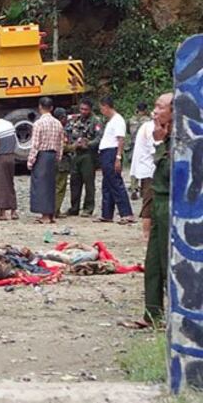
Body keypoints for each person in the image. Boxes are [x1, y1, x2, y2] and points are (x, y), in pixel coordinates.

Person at [124, 93, 172, 329]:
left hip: (169, 205)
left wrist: (160, 143)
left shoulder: (182, 139)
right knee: (152, 262)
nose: (155, 111)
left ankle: (175, 316)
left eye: (160, 107)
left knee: (167, 261)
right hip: (158, 201)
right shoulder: (165, 135)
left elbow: (170, 173)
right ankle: (152, 313)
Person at [96, 97, 135, 224]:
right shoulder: (111, 121)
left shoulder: (118, 120)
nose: (102, 111)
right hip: (105, 152)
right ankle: (107, 213)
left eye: (102, 108)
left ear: (106, 106)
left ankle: (127, 213)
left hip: (112, 152)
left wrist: (118, 157)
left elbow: (121, 140)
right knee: (107, 183)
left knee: (115, 182)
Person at [27, 97, 64, 224]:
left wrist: (30, 160)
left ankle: (45, 216)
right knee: (51, 185)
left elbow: (35, 144)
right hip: (52, 155)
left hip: (42, 155)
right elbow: (60, 143)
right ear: (52, 108)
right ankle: (51, 213)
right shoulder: (57, 123)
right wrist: (58, 157)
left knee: (41, 185)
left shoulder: (38, 124)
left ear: (40, 107)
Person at [67, 98, 102, 217]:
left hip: (88, 155)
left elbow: (99, 138)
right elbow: (69, 133)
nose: (83, 111)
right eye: (81, 109)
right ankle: (74, 207)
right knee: (74, 182)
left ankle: (88, 208)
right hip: (76, 153)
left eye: (86, 109)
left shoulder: (96, 121)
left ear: (90, 109)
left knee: (89, 183)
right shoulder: (75, 119)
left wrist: (88, 144)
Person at [129, 112, 156, 241]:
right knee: (149, 201)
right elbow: (155, 149)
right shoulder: (152, 128)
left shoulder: (145, 126)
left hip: (145, 168)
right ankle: (146, 233)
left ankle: (148, 232)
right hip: (151, 169)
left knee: (148, 200)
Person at [128, 102, 152, 200]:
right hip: (144, 146)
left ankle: (134, 188)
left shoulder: (131, 120)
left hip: (133, 145)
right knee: (145, 166)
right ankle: (144, 189)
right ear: (145, 110)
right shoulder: (149, 120)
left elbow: (128, 132)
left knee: (134, 167)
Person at [54, 108, 73, 217]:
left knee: (54, 186)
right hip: (62, 161)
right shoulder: (61, 129)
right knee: (60, 187)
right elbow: (64, 147)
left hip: (54, 161)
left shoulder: (53, 127)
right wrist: (75, 146)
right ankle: (56, 210)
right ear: (61, 118)